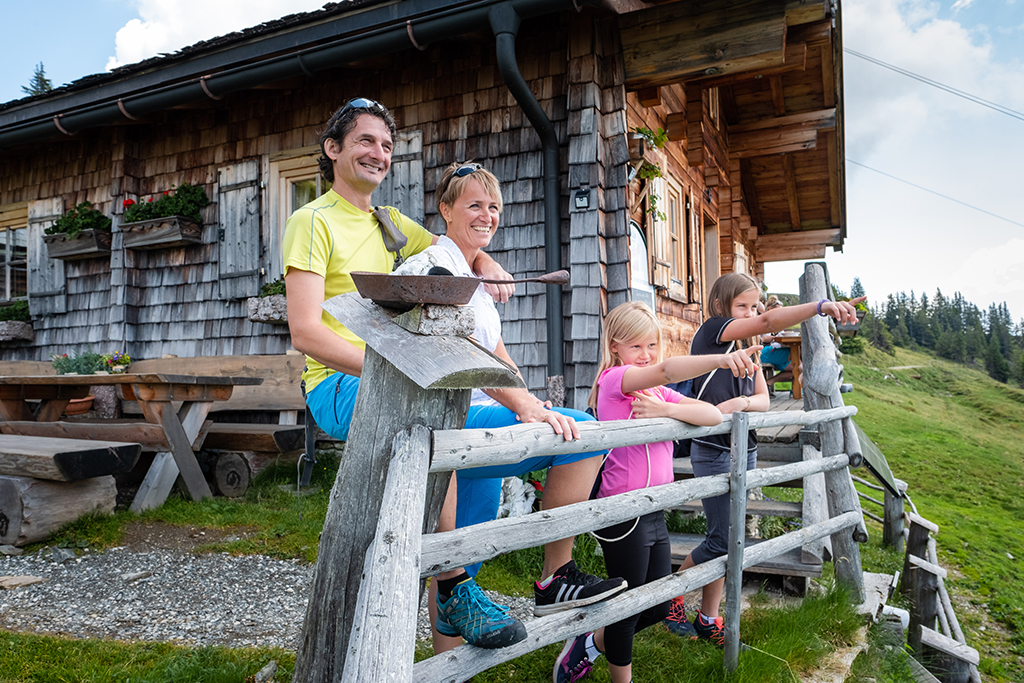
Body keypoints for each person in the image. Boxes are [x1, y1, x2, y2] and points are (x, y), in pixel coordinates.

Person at [283, 98, 625, 651]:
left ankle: (508, 585)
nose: (378, 153)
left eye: (387, 146)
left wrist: (486, 263)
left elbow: (455, 252)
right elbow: (305, 331)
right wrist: (402, 368)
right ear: (333, 149)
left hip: (417, 387)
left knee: (524, 460)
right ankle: (453, 583)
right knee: (438, 415)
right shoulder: (311, 220)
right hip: (340, 383)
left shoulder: (391, 224)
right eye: (365, 141)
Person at [553, 301, 760, 683]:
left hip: (655, 509)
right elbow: (664, 370)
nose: (646, 355)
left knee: (658, 604)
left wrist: (666, 412)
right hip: (623, 512)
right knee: (629, 606)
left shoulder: (658, 395)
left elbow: (712, 416)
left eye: (651, 346)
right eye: (636, 347)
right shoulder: (615, 381)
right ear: (615, 347)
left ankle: (591, 642)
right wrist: (719, 360)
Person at [662, 272, 865, 648]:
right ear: (722, 306)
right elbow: (770, 320)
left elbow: (763, 400)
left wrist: (739, 404)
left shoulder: (748, 349)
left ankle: (708, 617)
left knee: (730, 538)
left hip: (747, 449)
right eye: (744, 306)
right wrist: (821, 306)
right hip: (717, 450)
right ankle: (672, 598)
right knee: (721, 539)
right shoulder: (713, 331)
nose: (753, 313)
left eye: (755, 305)